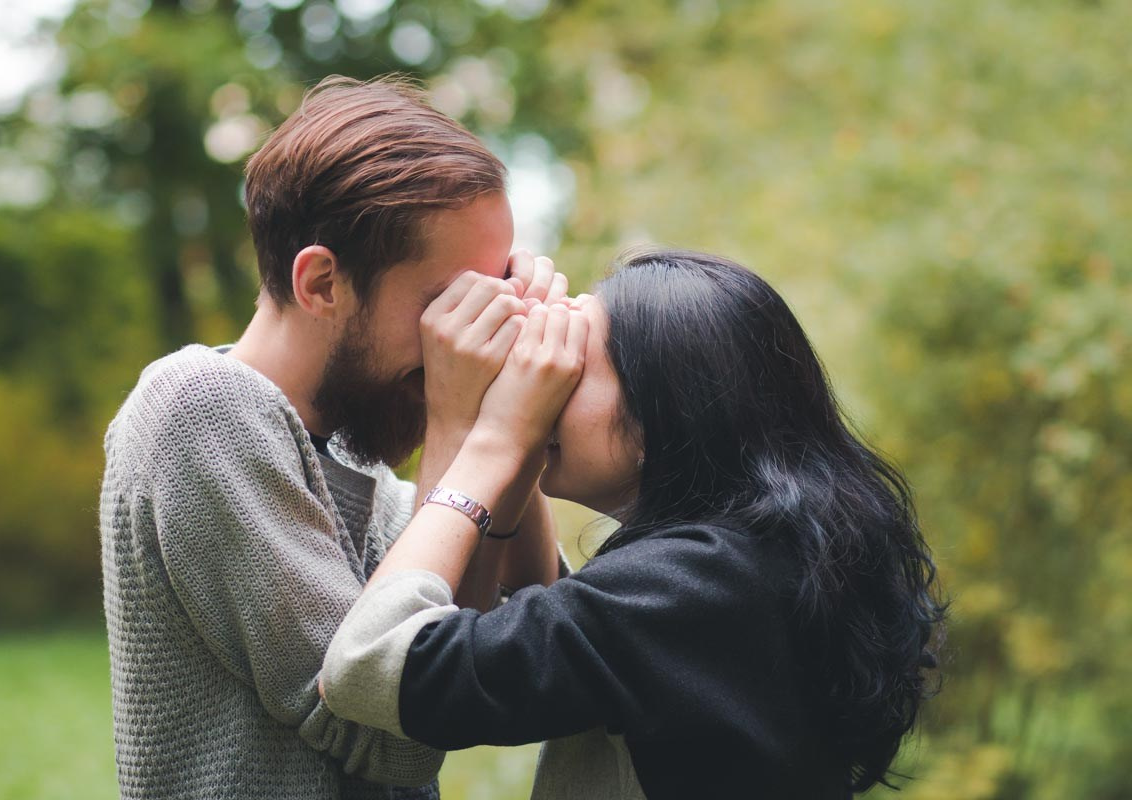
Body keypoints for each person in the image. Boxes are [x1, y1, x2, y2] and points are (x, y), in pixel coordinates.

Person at [319, 249, 946, 799]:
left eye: (573, 367)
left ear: (661, 412)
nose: (547, 387)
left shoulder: (684, 586)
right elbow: (543, 614)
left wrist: (490, 438)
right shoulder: (747, 566)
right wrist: (515, 437)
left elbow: (369, 665)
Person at [99, 76, 568, 800]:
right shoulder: (197, 409)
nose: (465, 335)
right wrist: (463, 427)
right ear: (321, 283)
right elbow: (392, 731)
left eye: (491, 293)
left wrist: (512, 421)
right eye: (449, 301)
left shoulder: (352, 453)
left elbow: (515, 642)